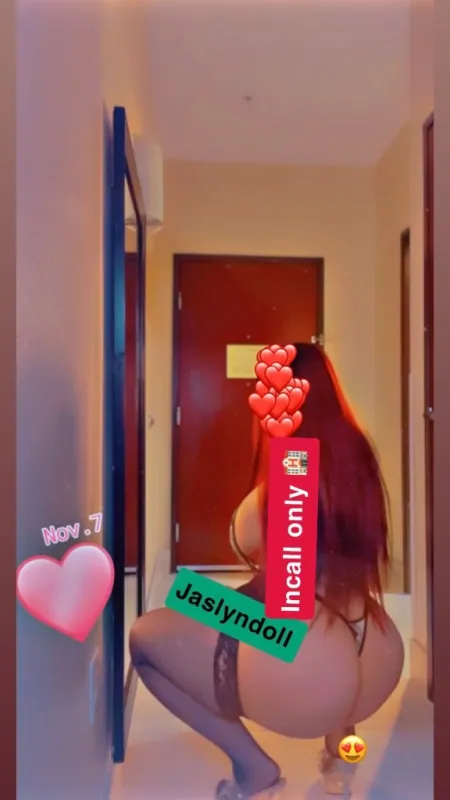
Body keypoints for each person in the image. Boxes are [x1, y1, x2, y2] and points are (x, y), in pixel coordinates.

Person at [129, 344, 404, 799]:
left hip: (310, 656)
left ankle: (254, 768)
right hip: (376, 648)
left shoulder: (292, 463)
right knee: (194, 595)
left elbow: (244, 537)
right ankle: (340, 753)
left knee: (145, 637)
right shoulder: (358, 454)